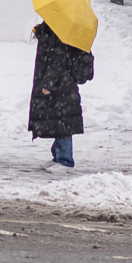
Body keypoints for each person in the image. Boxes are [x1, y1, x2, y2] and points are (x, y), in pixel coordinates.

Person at [28, 20, 95, 168]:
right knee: (58, 121)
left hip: (61, 85)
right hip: (61, 83)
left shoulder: (60, 32)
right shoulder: (56, 29)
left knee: (63, 123)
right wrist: (40, 31)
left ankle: (65, 160)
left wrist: (48, 84)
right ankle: (58, 156)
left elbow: (57, 61)